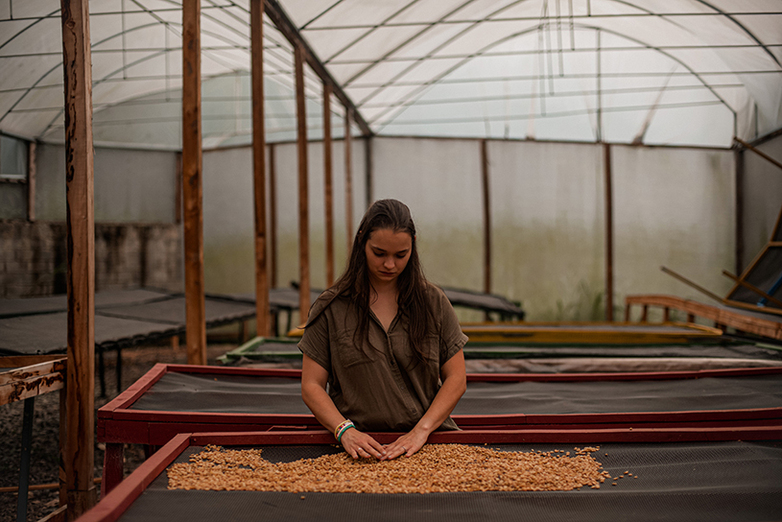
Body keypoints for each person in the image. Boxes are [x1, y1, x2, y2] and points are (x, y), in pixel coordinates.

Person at [299, 199, 467, 461]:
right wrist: (344, 430)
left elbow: (456, 378)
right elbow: (311, 385)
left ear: (413, 246)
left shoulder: (432, 302)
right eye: (379, 253)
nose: (390, 264)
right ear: (361, 243)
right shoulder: (332, 306)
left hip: (428, 445)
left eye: (401, 255)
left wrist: (421, 431)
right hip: (357, 449)